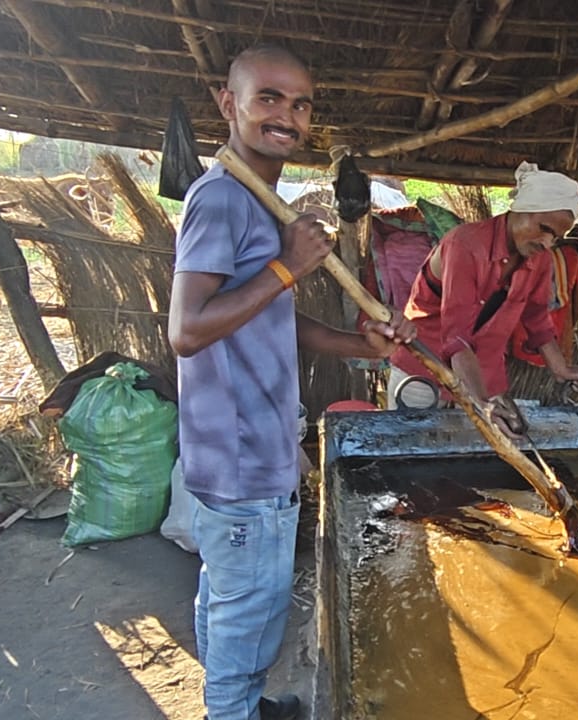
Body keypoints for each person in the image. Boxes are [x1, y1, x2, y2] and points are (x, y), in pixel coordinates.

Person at [167, 44, 415, 720]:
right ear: (229, 104)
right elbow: (187, 331)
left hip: (242, 451)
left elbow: (266, 319)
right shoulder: (220, 198)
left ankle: (246, 704)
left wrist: (356, 345)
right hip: (244, 462)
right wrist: (290, 267)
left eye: (299, 104)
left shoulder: (259, 201)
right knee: (251, 617)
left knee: (230, 601)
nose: (286, 115)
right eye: (268, 98)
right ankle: (235, 710)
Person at [387, 162, 578, 435]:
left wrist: (560, 368)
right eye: (544, 228)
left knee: (475, 469)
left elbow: (536, 317)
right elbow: (457, 339)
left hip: (484, 379)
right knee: (409, 459)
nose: (547, 243)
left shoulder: (541, 258)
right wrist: (483, 405)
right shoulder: (465, 245)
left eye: (556, 237)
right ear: (521, 208)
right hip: (425, 373)